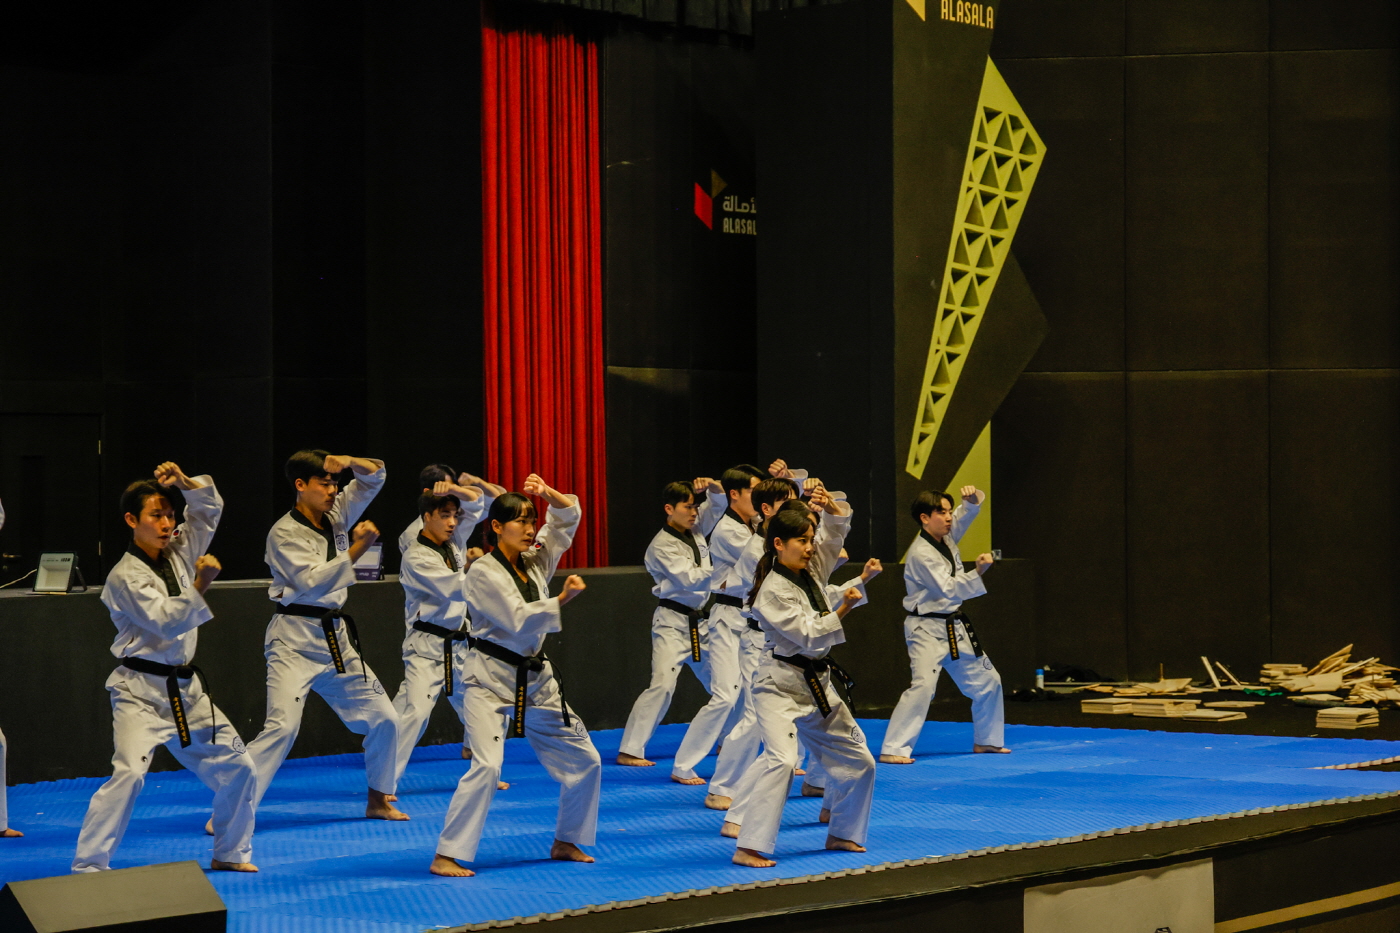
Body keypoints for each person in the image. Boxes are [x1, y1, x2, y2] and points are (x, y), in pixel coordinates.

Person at [72, 463, 256, 873]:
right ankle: (89, 867)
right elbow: (165, 621)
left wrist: (185, 483)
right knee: (129, 776)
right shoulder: (124, 576)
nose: (167, 523)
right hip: (140, 692)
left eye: (170, 514)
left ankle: (230, 853)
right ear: (131, 520)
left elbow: (207, 512)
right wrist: (202, 583)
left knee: (239, 767)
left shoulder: (178, 552)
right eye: (156, 515)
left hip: (187, 693)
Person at [431, 475, 599, 877]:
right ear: (496, 526)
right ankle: (446, 854)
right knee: (488, 767)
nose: (529, 528)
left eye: (531, 520)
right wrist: (562, 599)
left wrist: (548, 494)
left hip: (536, 679)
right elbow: (517, 619)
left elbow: (565, 521)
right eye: (520, 521)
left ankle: (567, 840)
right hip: (488, 680)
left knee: (587, 760)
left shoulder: (535, 559)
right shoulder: (482, 572)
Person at [246, 451, 407, 820]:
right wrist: (359, 548)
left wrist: (348, 461)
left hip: (335, 640)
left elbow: (376, 476)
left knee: (385, 717)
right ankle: (232, 809)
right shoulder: (283, 533)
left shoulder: (337, 514)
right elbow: (312, 582)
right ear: (301, 485)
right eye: (325, 483)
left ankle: (378, 800)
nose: (333, 490)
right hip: (293, 641)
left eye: (335, 483)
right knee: (282, 728)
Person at [721, 502, 882, 867]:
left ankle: (842, 833)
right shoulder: (771, 591)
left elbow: (834, 536)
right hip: (778, 685)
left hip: (817, 684)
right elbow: (808, 634)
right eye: (802, 541)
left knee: (861, 761)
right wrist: (843, 609)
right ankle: (748, 847)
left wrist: (832, 510)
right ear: (778, 543)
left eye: (811, 540)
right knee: (781, 760)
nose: (810, 547)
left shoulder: (810, 570)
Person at [706, 474, 852, 809]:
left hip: (802, 648)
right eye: (786, 502)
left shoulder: (798, 545)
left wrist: (828, 506)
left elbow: (832, 540)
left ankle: (818, 781)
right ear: (767, 511)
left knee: (823, 714)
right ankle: (722, 786)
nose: (794, 506)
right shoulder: (759, 548)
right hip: (766, 641)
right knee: (754, 718)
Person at [879, 486, 1005, 763]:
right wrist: (979, 571)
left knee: (989, 681)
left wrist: (970, 501)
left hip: (954, 627)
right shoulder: (921, 553)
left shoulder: (944, 537)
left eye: (949, 511)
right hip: (926, 630)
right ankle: (894, 749)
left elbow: (964, 517)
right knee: (923, 687)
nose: (949, 518)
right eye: (942, 513)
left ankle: (987, 740)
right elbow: (948, 588)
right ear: (925, 518)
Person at [616, 479, 727, 775]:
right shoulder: (661, 546)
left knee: (724, 684)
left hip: (701, 624)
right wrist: (727, 571)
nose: (693, 512)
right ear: (669, 509)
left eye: (695, 506)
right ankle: (630, 749)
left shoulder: (696, 527)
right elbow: (690, 579)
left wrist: (713, 486)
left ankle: (727, 739)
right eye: (687, 507)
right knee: (663, 685)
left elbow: (719, 503)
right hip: (672, 624)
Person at [392, 481, 489, 787]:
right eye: (445, 515)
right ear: (427, 517)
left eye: (454, 516)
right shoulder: (416, 556)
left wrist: (457, 490)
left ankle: (486, 772)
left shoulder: (453, 540)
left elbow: (477, 503)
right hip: (428, 647)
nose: (452, 522)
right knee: (416, 714)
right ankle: (384, 782)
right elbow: (456, 588)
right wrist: (484, 570)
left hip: (461, 643)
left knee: (480, 707)